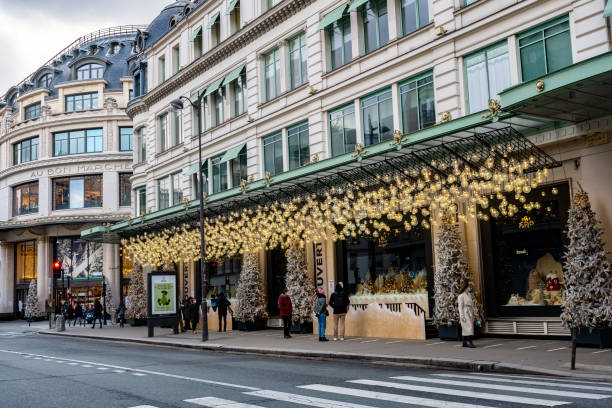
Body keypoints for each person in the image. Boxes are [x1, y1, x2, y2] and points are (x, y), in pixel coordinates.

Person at [458, 281, 476, 348]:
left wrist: (474, 312)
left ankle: (464, 342)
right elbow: (460, 306)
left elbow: (472, 304)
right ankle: (469, 342)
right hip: (465, 312)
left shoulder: (469, 294)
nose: (469, 288)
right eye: (468, 287)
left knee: (468, 327)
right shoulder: (461, 296)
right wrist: (462, 315)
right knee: (468, 327)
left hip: (469, 311)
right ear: (465, 287)